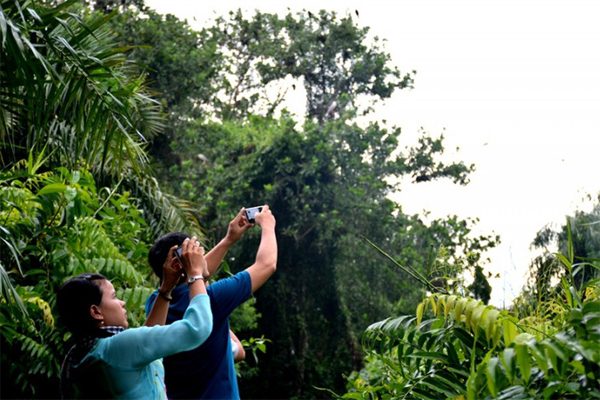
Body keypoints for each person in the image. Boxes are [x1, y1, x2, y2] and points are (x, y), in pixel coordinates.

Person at [145, 206, 277, 399]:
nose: (200, 254)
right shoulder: (215, 299)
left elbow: (195, 278)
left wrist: (228, 240)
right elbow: (266, 264)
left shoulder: (157, 303)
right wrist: (268, 225)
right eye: (196, 252)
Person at [57, 236, 212, 399]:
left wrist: (166, 289)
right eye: (114, 296)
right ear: (96, 312)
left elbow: (147, 346)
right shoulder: (115, 349)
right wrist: (195, 275)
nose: (122, 303)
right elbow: (197, 329)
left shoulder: (75, 358)